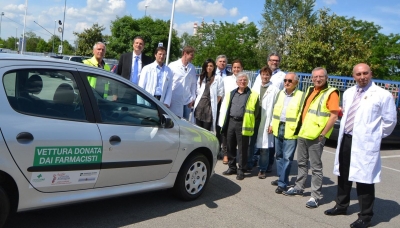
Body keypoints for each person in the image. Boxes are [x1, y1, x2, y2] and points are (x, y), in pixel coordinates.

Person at [324, 63, 397, 228]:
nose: (362, 77)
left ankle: (365, 216)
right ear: (353, 76)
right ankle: (341, 205)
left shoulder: (382, 95)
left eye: (365, 73)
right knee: (343, 174)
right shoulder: (349, 93)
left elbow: (390, 122)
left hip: (365, 143)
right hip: (346, 139)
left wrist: (373, 135)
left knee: (364, 179)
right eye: (358, 74)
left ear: (371, 74)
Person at [283, 67, 339, 209]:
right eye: (315, 77)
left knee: (315, 167)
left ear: (326, 78)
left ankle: (315, 196)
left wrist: (323, 134)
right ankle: (299, 187)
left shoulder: (331, 93)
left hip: (316, 136)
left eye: (320, 76)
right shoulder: (310, 90)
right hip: (304, 133)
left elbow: (333, 116)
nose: (317, 79)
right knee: (302, 163)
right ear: (312, 78)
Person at [221, 72, 259, 180]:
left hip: (243, 123)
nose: (242, 82)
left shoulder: (252, 94)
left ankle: (241, 169)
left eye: (245, 80)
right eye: (240, 80)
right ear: (237, 82)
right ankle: (232, 167)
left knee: (242, 148)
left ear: (247, 82)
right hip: (231, 121)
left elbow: (256, 112)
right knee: (230, 145)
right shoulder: (231, 93)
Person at [270, 72, 304, 193]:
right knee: (278, 156)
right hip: (278, 127)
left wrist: (299, 129)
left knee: (287, 158)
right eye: (285, 80)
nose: (287, 83)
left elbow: (302, 114)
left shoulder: (301, 96)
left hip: (291, 130)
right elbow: (275, 110)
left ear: (296, 82)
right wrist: (271, 125)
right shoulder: (280, 93)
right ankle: (281, 178)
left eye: (290, 81)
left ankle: (283, 183)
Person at [253, 53, 286, 172]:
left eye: (276, 60)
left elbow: (282, 96)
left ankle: (267, 165)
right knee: (256, 140)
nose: (274, 62)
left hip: (270, 114)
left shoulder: (283, 76)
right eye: (272, 60)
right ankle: (255, 161)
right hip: (257, 114)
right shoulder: (259, 75)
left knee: (268, 143)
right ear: (268, 61)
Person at [249, 65, 280, 178]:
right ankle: (251, 163)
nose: (265, 76)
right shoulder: (255, 88)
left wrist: (272, 123)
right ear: (260, 75)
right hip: (255, 119)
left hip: (267, 120)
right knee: (252, 144)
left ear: (270, 76)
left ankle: (263, 169)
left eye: (267, 74)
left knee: (264, 147)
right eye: (263, 74)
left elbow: (277, 108)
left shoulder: (275, 90)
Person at [218, 59, 250, 164]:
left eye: (238, 67)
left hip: (239, 112)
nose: (236, 69)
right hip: (227, 110)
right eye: (234, 67)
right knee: (226, 134)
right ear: (231, 68)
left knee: (238, 138)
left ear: (242, 68)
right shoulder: (226, 79)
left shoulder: (245, 79)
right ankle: (225, 154)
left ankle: (238, 159)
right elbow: (221, 94)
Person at [192, 59, 224, 132]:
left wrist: (214, 103)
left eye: (211, 66)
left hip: (209, 107)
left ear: (213, 67)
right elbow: (197, 91)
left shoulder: (218, 78)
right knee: (197, 129)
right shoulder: (201, 77)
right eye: (207, 66)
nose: (209, 67)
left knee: (206, 130)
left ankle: (205, 144)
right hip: (200, 106)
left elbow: (220, 94)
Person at [168, 46, 197, 120]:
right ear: (185, 54)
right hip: (174, 100)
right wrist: (167, 100)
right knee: (175, 122)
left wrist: (192, 98)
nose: (192, 57)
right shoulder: (172, 66)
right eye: (191, 55)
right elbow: (167, 84)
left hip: (187, 101)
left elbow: (194, 84)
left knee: (185, 124)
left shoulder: (192, 68)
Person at [215, 55, 233, 159]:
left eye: (224, 61)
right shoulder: (212, 73)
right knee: (215, 127)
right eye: (220, 61)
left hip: (225, 105)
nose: (222, 63)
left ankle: (224, 150)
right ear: (217, 63)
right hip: (214, 104)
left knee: (223, 128)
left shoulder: (229, 75)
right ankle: (215, 149)